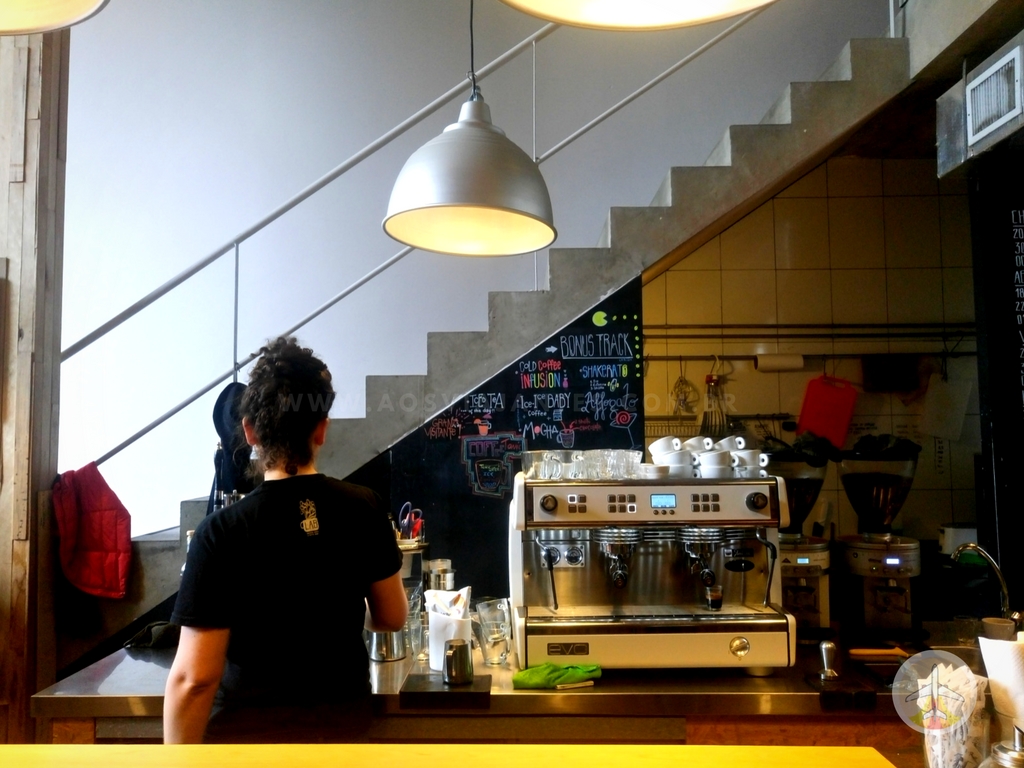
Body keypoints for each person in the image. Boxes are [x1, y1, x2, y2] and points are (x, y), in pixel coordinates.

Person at [163, 337, 408, 743]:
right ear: (321, 429)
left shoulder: (220, 532)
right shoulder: (363, 506)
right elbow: (392, 617)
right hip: (342, 742)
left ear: (250, 431)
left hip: (249, 746)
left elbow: (194, 680)